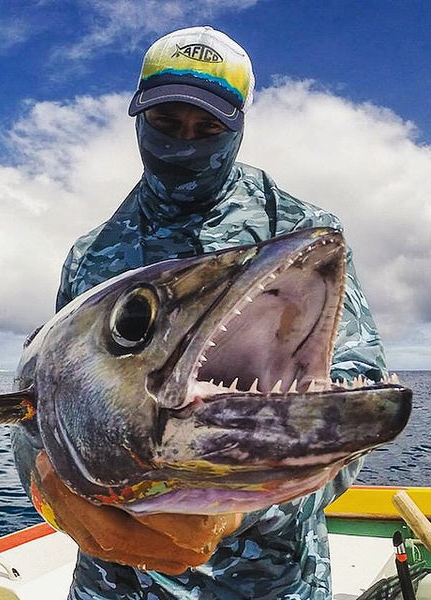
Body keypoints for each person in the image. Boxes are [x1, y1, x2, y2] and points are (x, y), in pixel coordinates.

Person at [48, 25, 387, 600]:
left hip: (263, 583)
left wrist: (228, 508)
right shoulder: (92, 254)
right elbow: (47, 394)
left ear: (239, 125)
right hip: (113, 583)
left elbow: (351, 408)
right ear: (137, 117)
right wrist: (47, 480)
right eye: (166, 122)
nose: (185, 140)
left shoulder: (300, 240)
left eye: (208, 127)